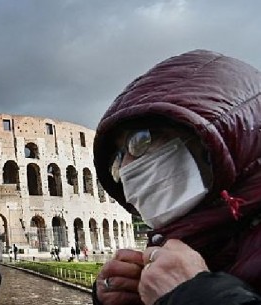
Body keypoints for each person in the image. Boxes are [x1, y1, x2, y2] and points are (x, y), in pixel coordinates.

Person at [91, 49, 261, 305]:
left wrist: (193, 296)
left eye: (141, 140)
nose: (125, 167)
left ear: (215, 138)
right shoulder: (196, 241)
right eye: (118, 156)